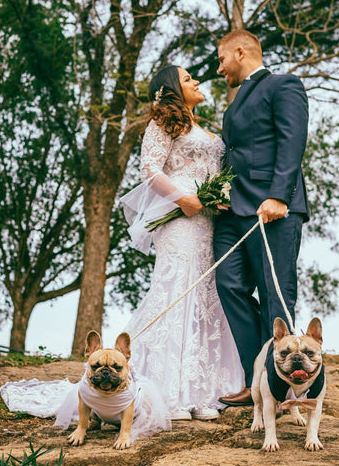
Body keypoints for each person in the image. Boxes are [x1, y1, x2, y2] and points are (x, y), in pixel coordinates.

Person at [120, 65, 243, 421]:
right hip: (180, 222)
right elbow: (150, 170)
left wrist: (218, 196)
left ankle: (202, 392)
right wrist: (182, 199)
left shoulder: (204, 127)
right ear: (173, 88)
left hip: (208, 223)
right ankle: (167, 392)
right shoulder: (161, 124)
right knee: (177, 294)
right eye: (189, 79)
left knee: (207, 298)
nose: (198, 82)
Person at [213, 30, 310, 407]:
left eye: (222, 59)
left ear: (240, 51)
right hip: (232, 213)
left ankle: (280, 386)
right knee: (229, 284)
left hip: (274, 210)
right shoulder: (234, 102)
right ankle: (256, 375)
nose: (220, 68)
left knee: (275, 294)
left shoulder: (284, 85)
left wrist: (279, 196)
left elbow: (292, 139)